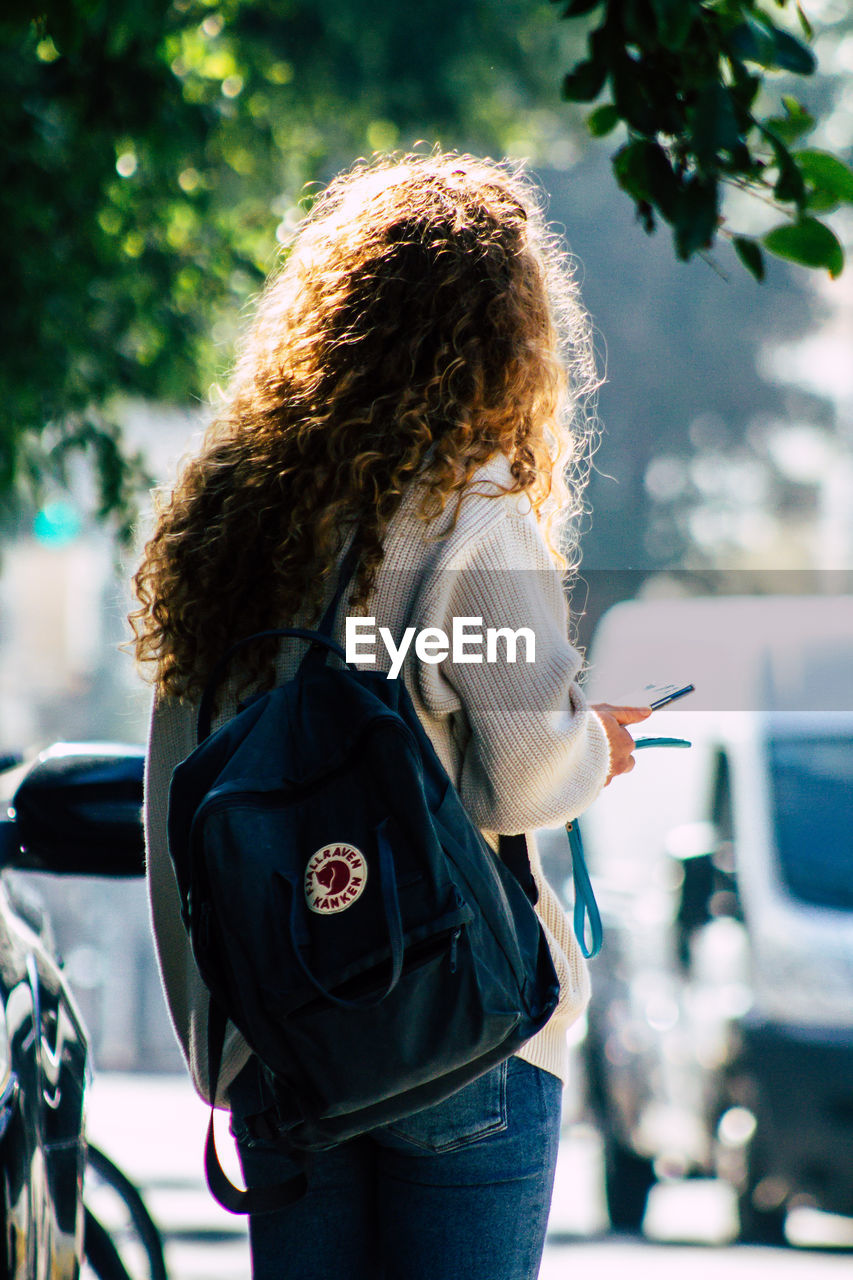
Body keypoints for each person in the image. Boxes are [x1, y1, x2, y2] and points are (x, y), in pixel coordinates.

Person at [130, 150, 650, 1280]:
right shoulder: (469, 507)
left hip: (284, 1038)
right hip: (457, 1030)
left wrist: (221, 1044)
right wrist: (592, 748)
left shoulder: (228, 511)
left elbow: (179, 786)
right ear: (503, 336)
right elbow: (518, 774)